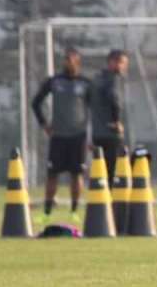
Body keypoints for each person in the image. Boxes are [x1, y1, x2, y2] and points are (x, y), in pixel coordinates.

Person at [31, 47, 92, 225]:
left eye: (72, 59)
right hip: (58, 136)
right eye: (66, 59)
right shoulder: (54, 81)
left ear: (78, 62)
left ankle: (74, 211)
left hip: (78, 136)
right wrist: (44, 124)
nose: (68, 62)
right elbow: (35, 103)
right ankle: (47, 212)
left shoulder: (85, 83)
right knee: (52, 175)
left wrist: (90, 136)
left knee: (76, 174)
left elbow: (94, 109)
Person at [90, 49, 129, 187]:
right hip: (111, 133)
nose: (124, 67)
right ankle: (114, 204)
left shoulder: (97, 79)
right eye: (122, 63)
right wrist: (117, 121)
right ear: (112, 62)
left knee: (101, 170)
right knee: (115, 171)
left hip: (97, 133)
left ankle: (102, 203)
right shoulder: (114, 78)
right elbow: (114, 99)